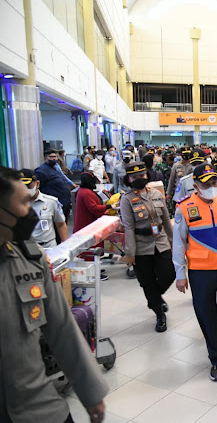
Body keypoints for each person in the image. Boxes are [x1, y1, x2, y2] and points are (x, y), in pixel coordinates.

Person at [0, 166, 109, 423]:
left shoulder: (30, 258)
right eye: (23, 203)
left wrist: (91, 392)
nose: (31, 213)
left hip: (36, 406)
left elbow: (62, 328)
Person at [173, 163, 217, 382]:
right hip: (200, 271)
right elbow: (178, 242)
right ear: (195, 185)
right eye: (207, 184)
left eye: (214, 182)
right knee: (207, 316)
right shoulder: (184, 207)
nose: (212, 187)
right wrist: (180, 273)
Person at [120, 162, 175, 332]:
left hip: (161, 242)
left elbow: (166, 220)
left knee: (169, 274)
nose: (138, 179)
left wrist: (174, 243)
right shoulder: (126, 199)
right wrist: (130, 253)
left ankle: (155, 298)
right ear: (128, 179)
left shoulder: (157, 194)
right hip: (140, 246)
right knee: (147, 282)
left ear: (147, 176)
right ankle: (159, 314)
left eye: (141, 176)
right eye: (134, 177)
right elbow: (128, 227)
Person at [20, 169, 69, 249]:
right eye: (22, 187)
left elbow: (61, 224)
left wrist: (65, 247)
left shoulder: (51, 202)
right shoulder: (14, 205)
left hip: (47, 247)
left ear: (37, 184)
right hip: (25, 249)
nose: (25, 189)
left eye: (28, 186)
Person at [35, 149, 72, 221]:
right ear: (45, 158)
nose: (54, 158)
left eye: (55, 156)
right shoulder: (41, 171)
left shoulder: (55, 168)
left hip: (63, 203)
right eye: (51, 157)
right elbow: (38, 188)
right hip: (53, 205)